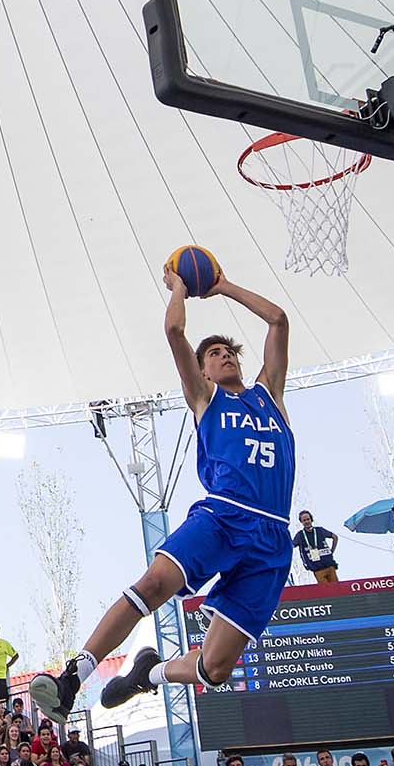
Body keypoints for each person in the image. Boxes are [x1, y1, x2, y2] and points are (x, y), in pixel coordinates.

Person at [30, 270, 294, 720]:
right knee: (152, 585)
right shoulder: (206, 399)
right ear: (203, 368)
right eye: (214, 353)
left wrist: (224, 286)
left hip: (272, 538)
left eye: (229, 351)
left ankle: (148, 675)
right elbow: (174, 330)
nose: (224, 356)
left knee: (216, 667)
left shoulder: (269, 395)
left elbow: (278, 321)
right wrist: (181, 288)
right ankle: (73, 679)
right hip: (224, 516)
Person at [293, 511, 340, 582]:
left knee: (337, 589)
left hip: (329, 565)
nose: (307, 522)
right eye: (304, 520)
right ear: (301, 522)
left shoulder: (319, 530)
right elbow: (291, 545)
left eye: (308, 519)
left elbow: (335, 537)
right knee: (326, 591)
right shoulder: (300, 535)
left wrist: (332, 551)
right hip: (317, 569)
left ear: (311, 520)